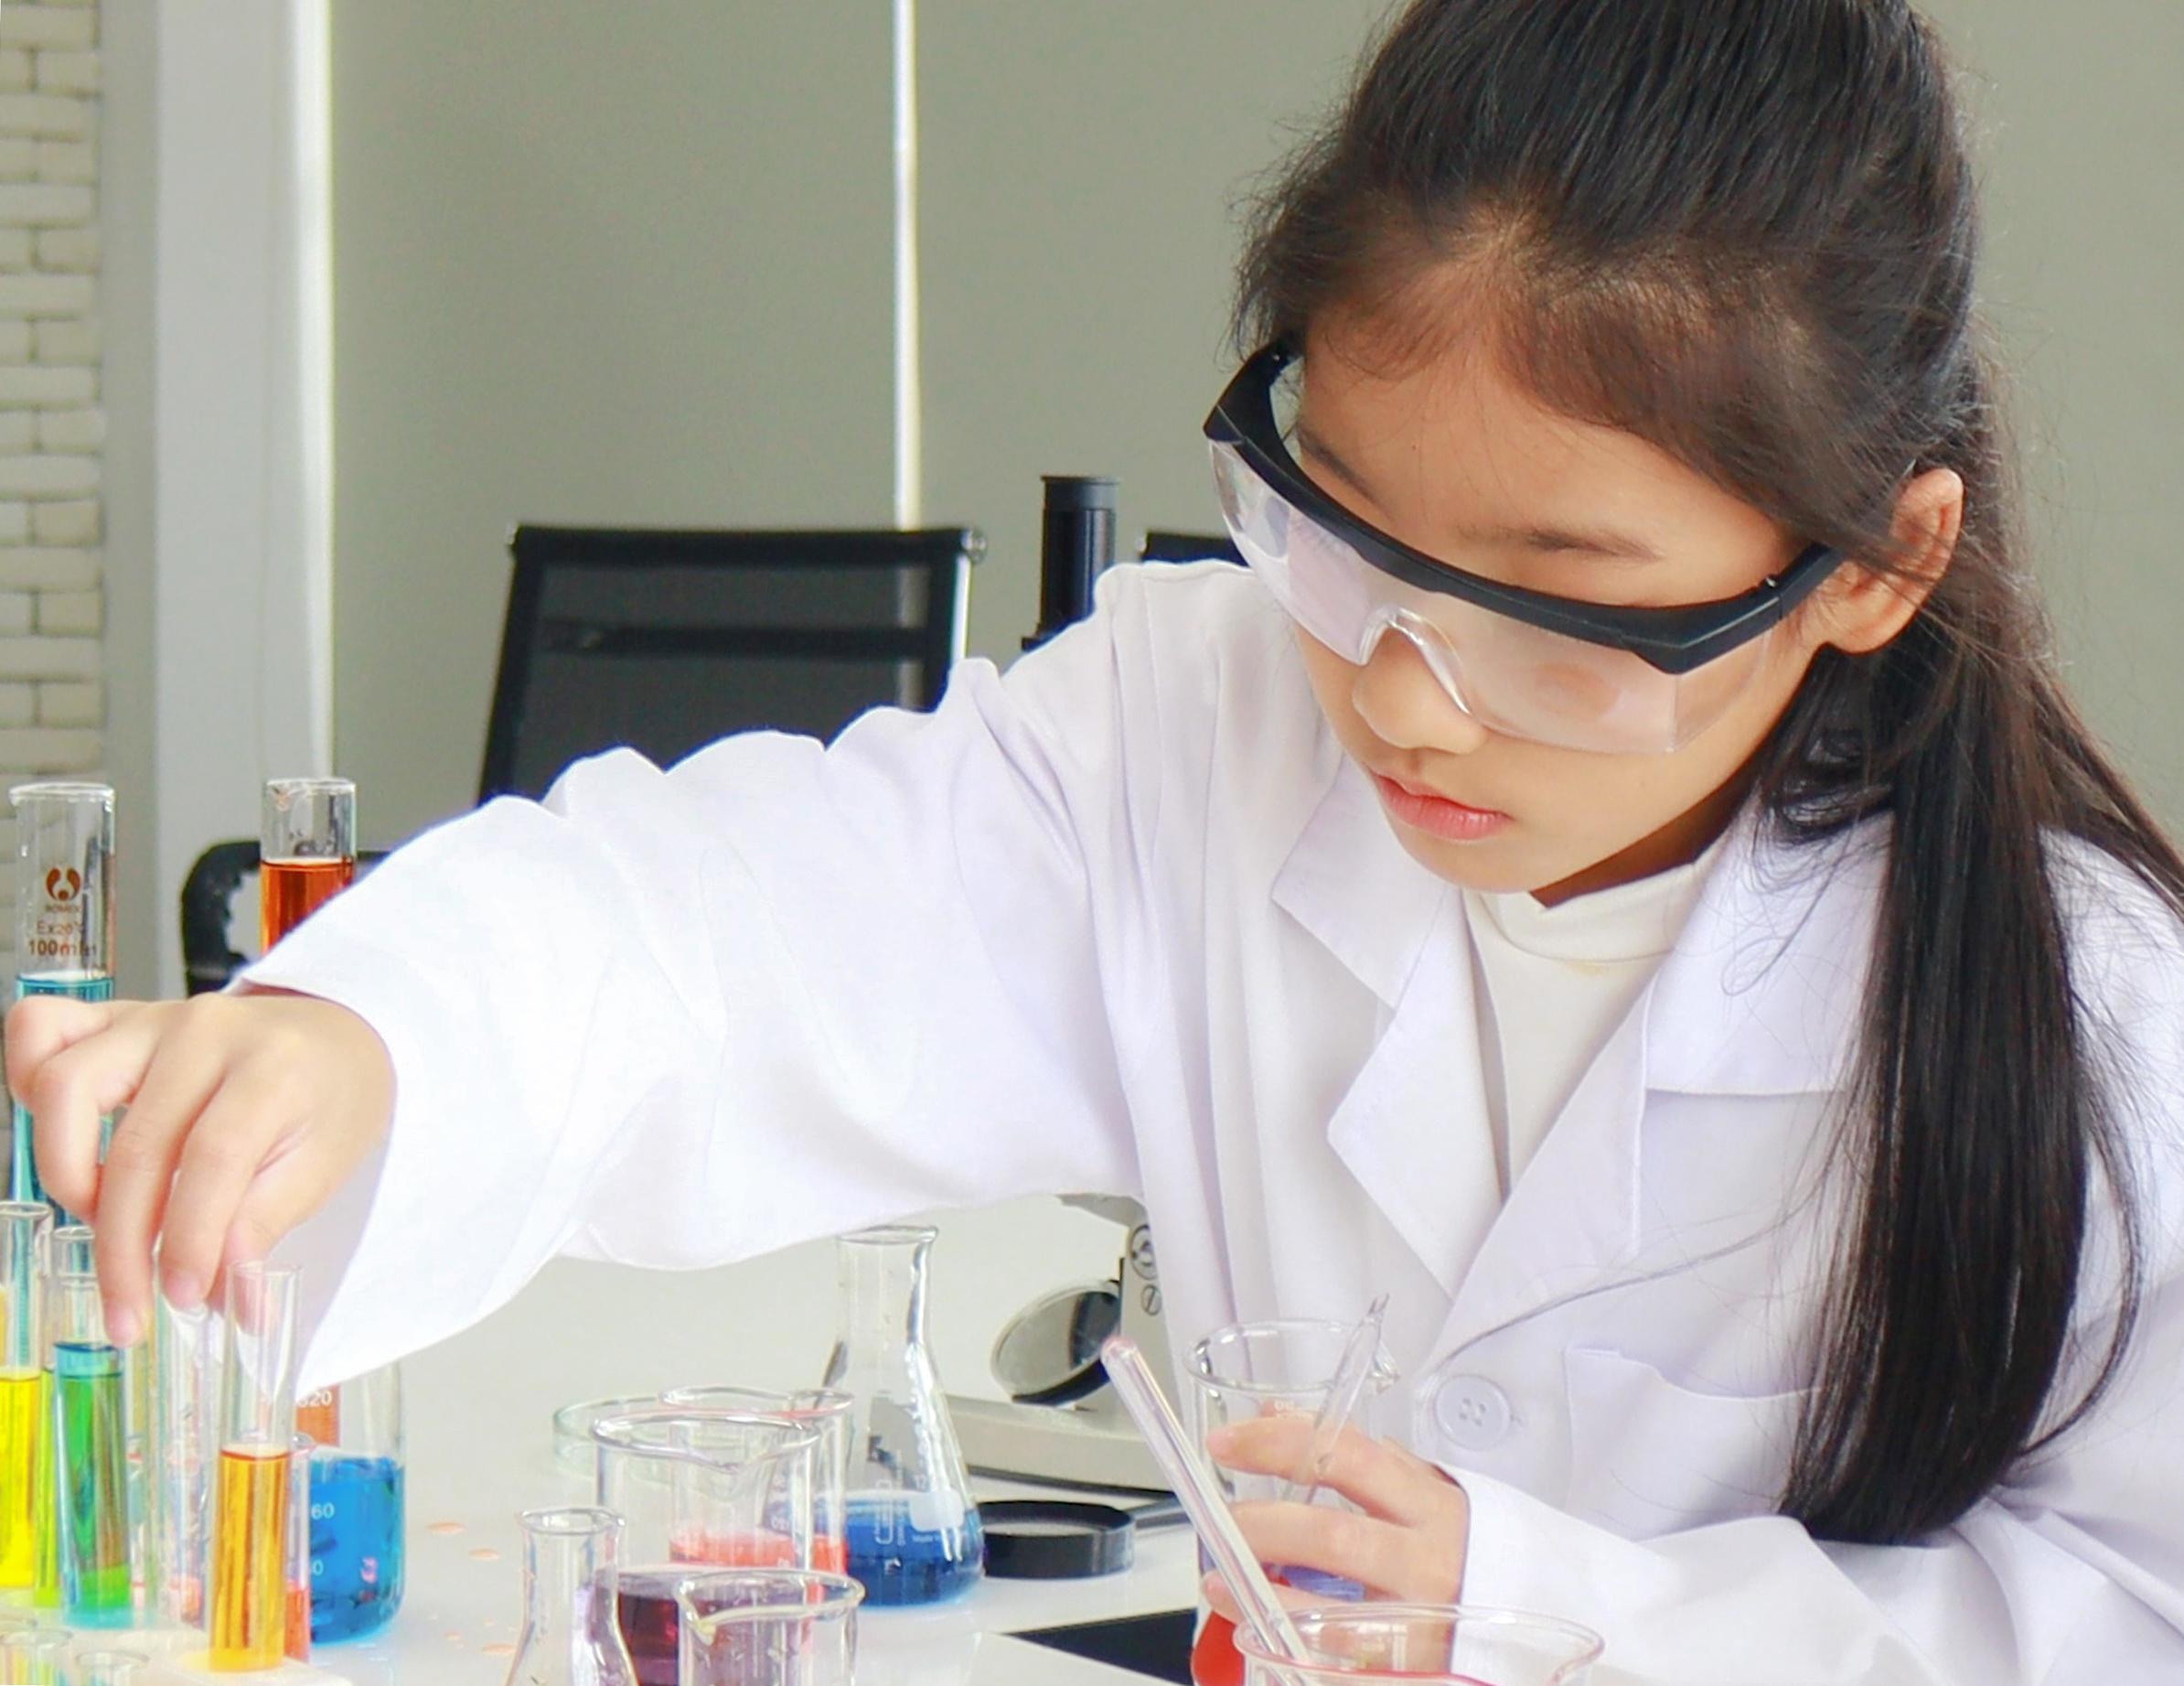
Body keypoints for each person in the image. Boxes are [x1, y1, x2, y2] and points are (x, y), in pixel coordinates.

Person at [13, 0, 2184, 1678]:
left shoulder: (2095, 1017)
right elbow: (710, 936)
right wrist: (365, 1032)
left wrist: (1541, 1607)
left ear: (1880, 562)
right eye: (1342, 531)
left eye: (1553, 611)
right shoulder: (1192, 722)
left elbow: (2131, 1616)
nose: (1407, 696)